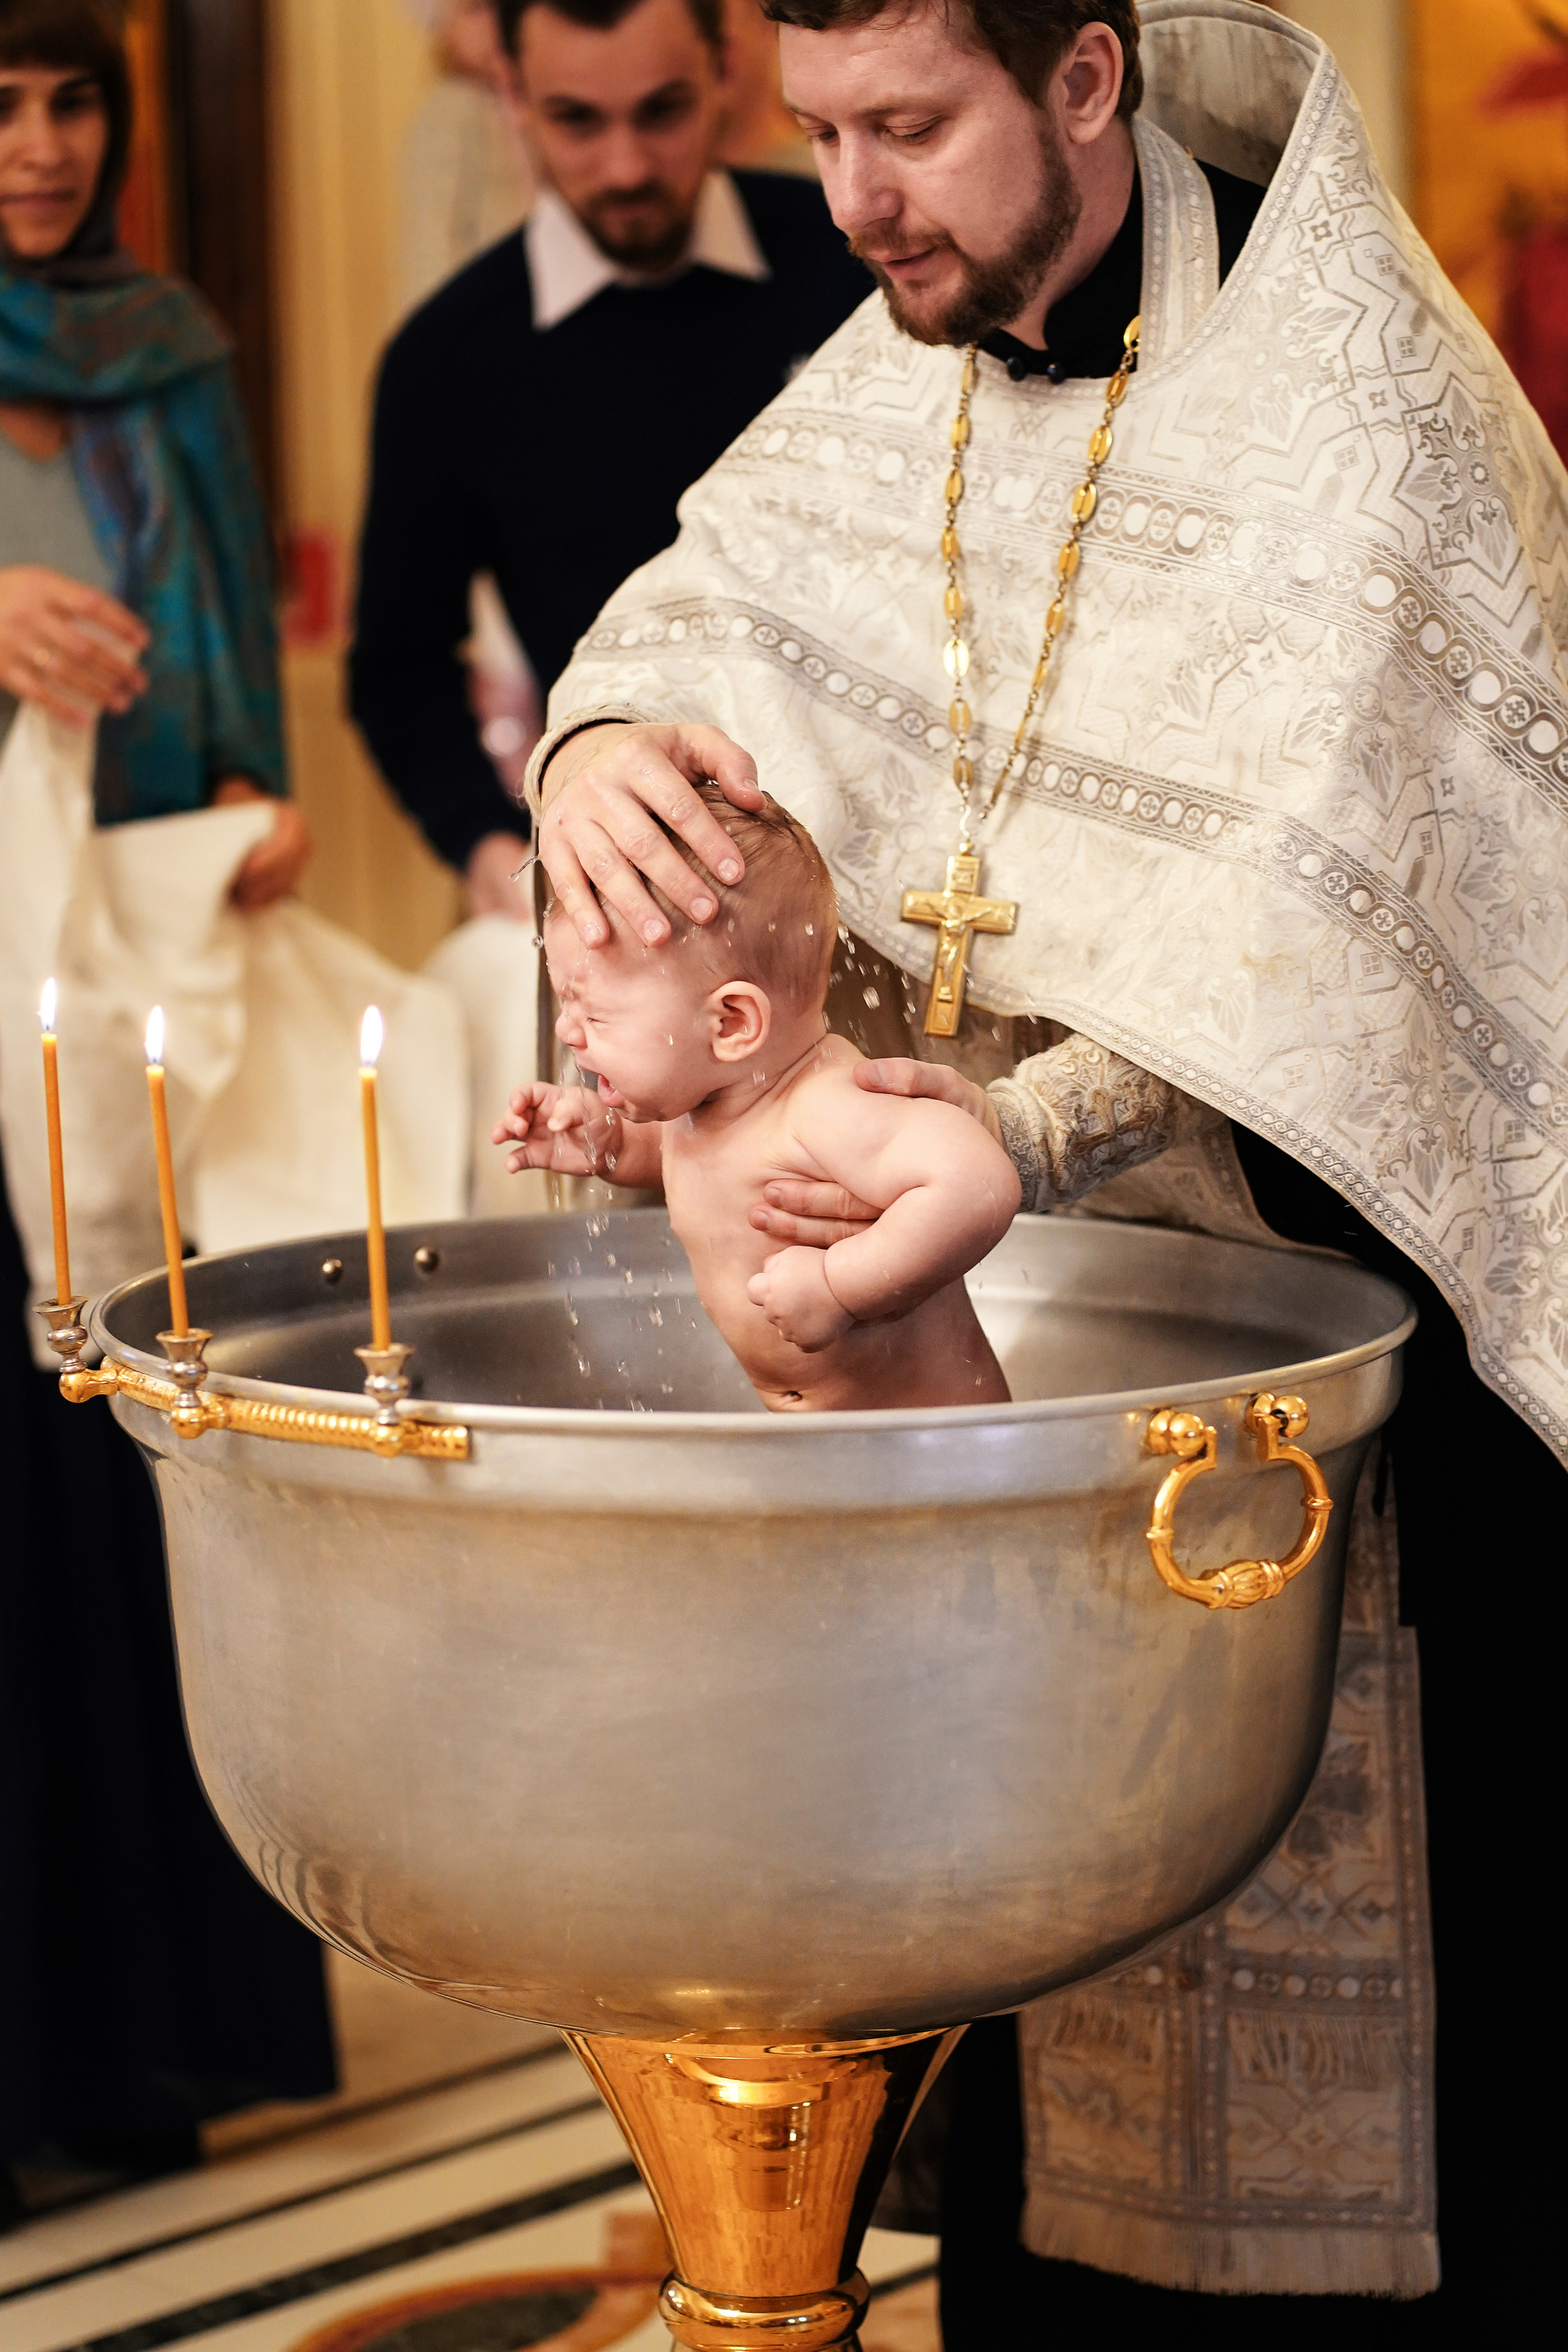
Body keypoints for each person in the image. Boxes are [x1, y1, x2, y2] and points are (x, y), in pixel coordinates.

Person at [516, 0, 1567, 2326]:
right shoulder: (902, 355)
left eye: (908, 128)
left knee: (1399, 2190)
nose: (851, 198)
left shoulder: (1352, 405)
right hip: (1007, 1418)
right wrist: (594, 751)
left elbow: (1344, 938)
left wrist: (1029, 1131)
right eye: (818, 135)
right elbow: (703, 624)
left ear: (1081, 84)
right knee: (1037, 2108)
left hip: (1357, 1427)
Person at [0, 0, 333, 2215]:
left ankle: (149, 2048)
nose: (36, 145)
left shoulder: (170, 339)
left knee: (120, 1474)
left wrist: (250, 799)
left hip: (134, 977)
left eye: (66, 100)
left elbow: (214, 621)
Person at [349, 0, 869, 923]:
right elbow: (400, 668)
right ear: (513, 93)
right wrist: (488, 847)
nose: (626, 167)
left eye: (662, 111)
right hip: (633, 892)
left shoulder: (853, 261)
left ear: (724, 70)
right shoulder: (447, 357)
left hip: (879, 851)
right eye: (578, 120)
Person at [496, 785, 1018, 1406]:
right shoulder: (711, 1105)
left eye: (597, 1015)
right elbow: (703, 1171)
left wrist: (838, 1286)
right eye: (567, 1003)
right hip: (826, 1450)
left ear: (731, 1024)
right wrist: (612, 1145)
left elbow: (980, 1185)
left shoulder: (826, 1106)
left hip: (936, 1451)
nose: (566, 1030)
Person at [397, 0, 534, 316]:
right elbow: (430, 237)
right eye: (478, 9)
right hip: (479, 309)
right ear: (443, 30)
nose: (497, 23)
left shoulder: (522, 106)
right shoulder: (450, 113)